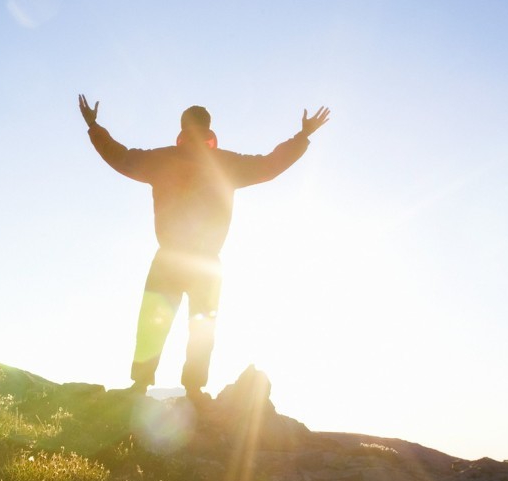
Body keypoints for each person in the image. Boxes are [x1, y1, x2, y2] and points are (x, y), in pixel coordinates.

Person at [79, 94, 330, 398]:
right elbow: (269, 165)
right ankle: (191, 388)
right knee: (199, 327)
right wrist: (302, 136)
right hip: (205, 262)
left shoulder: (163, 160)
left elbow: (120, 156)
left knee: (155, 322)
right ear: (208, 129)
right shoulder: (225, 164)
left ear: (183, 129)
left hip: (173, 257)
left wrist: (94, 126)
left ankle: (144, 384)